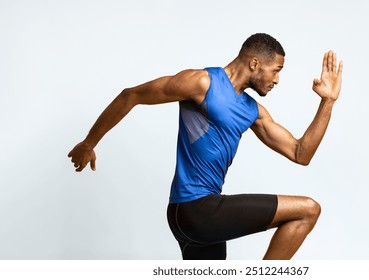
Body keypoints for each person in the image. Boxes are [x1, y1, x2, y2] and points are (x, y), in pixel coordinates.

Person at [68, 33, 343, 260]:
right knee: (307, 209)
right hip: (196, 209)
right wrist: (89, 142)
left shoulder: (253, 111)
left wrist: (327, 102)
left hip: (192, 217)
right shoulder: (202, 83)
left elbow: (300, 153)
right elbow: (133, 95)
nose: (277, 80)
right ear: (255, 63)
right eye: (277, 70)